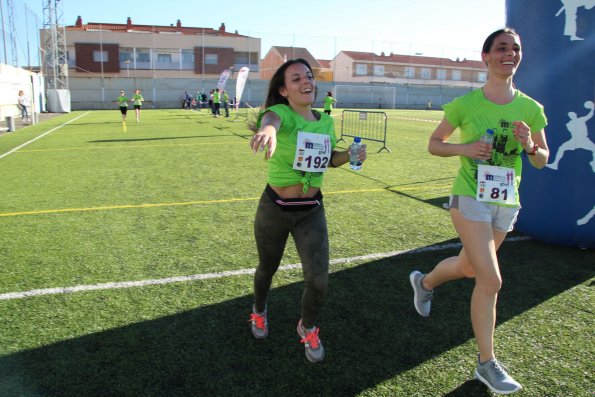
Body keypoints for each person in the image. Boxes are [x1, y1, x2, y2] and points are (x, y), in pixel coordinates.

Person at [409, 28, 549, 395]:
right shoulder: (467, 104)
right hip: (470, 196)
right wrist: (465, 149)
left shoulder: (531, 108)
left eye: (516, 49)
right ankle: (486, 364)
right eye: (502, 48)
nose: (510, 54)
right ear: (486, 56)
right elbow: (434, 145)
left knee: (470, 268)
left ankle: (424, 282)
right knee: (491, 280)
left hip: (506, 201)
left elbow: (541, 160)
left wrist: (531, 145)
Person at [248, 58, 367, 363]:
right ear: (284, 90)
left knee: (318, 279)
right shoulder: (280, 113)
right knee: (267, 268)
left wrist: (350, 155)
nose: (307, 81)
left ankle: (308, 326)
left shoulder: (325, 121)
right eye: (297, 78)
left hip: (311, 210)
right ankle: (259, 309)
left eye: (310, 76)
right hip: (275, 208)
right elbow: (271, 122)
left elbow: (328, 160)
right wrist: (269, 133)